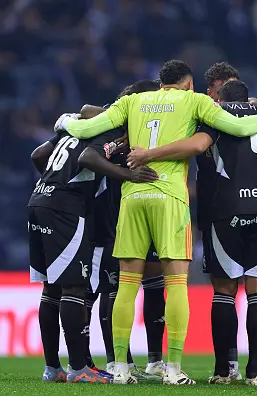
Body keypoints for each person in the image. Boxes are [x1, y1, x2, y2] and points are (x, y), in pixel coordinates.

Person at [55, 59, 257, 385]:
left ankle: (120, 368)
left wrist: (67, 121)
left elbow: (86, 129)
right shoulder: (194, 101)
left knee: (127, 284)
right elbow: (238, 128)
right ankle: (173, 369)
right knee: (176, 282)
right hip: (169, 197)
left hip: (132, 198)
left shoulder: (133, 101)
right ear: (188, 84)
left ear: (161, 82)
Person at [127, 79, 257, 386]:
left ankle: (224, 370)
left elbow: (198, 146)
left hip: (228, 208)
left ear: (220, 98)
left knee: (224, 291)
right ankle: (254, 372)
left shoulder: (215, 117)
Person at [28, 115, 158, 384]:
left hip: (39, 199)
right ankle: (79, 368)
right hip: (65, 210)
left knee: (51, 288)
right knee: (74, 288)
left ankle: (53, 368)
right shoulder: (109, 131)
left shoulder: (76, 128)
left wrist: (56, 180)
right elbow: (88, 158)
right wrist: (128, 174)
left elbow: (38, 155)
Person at [85, 80, 165, 381]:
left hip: (151, 211)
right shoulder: (114, 132)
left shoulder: (153, 128)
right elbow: (86, 112)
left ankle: (154, 359)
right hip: (112, 220)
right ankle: (116, 360)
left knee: (154, 278)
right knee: (111, 287)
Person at [201, 61, 242, 381]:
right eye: (220, 91)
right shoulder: (199, 115)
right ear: (210, 91)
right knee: (224, 288)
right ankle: (227, 364)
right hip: (214, 209)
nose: (226, 98)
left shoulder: (253, 114)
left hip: (253, 208)